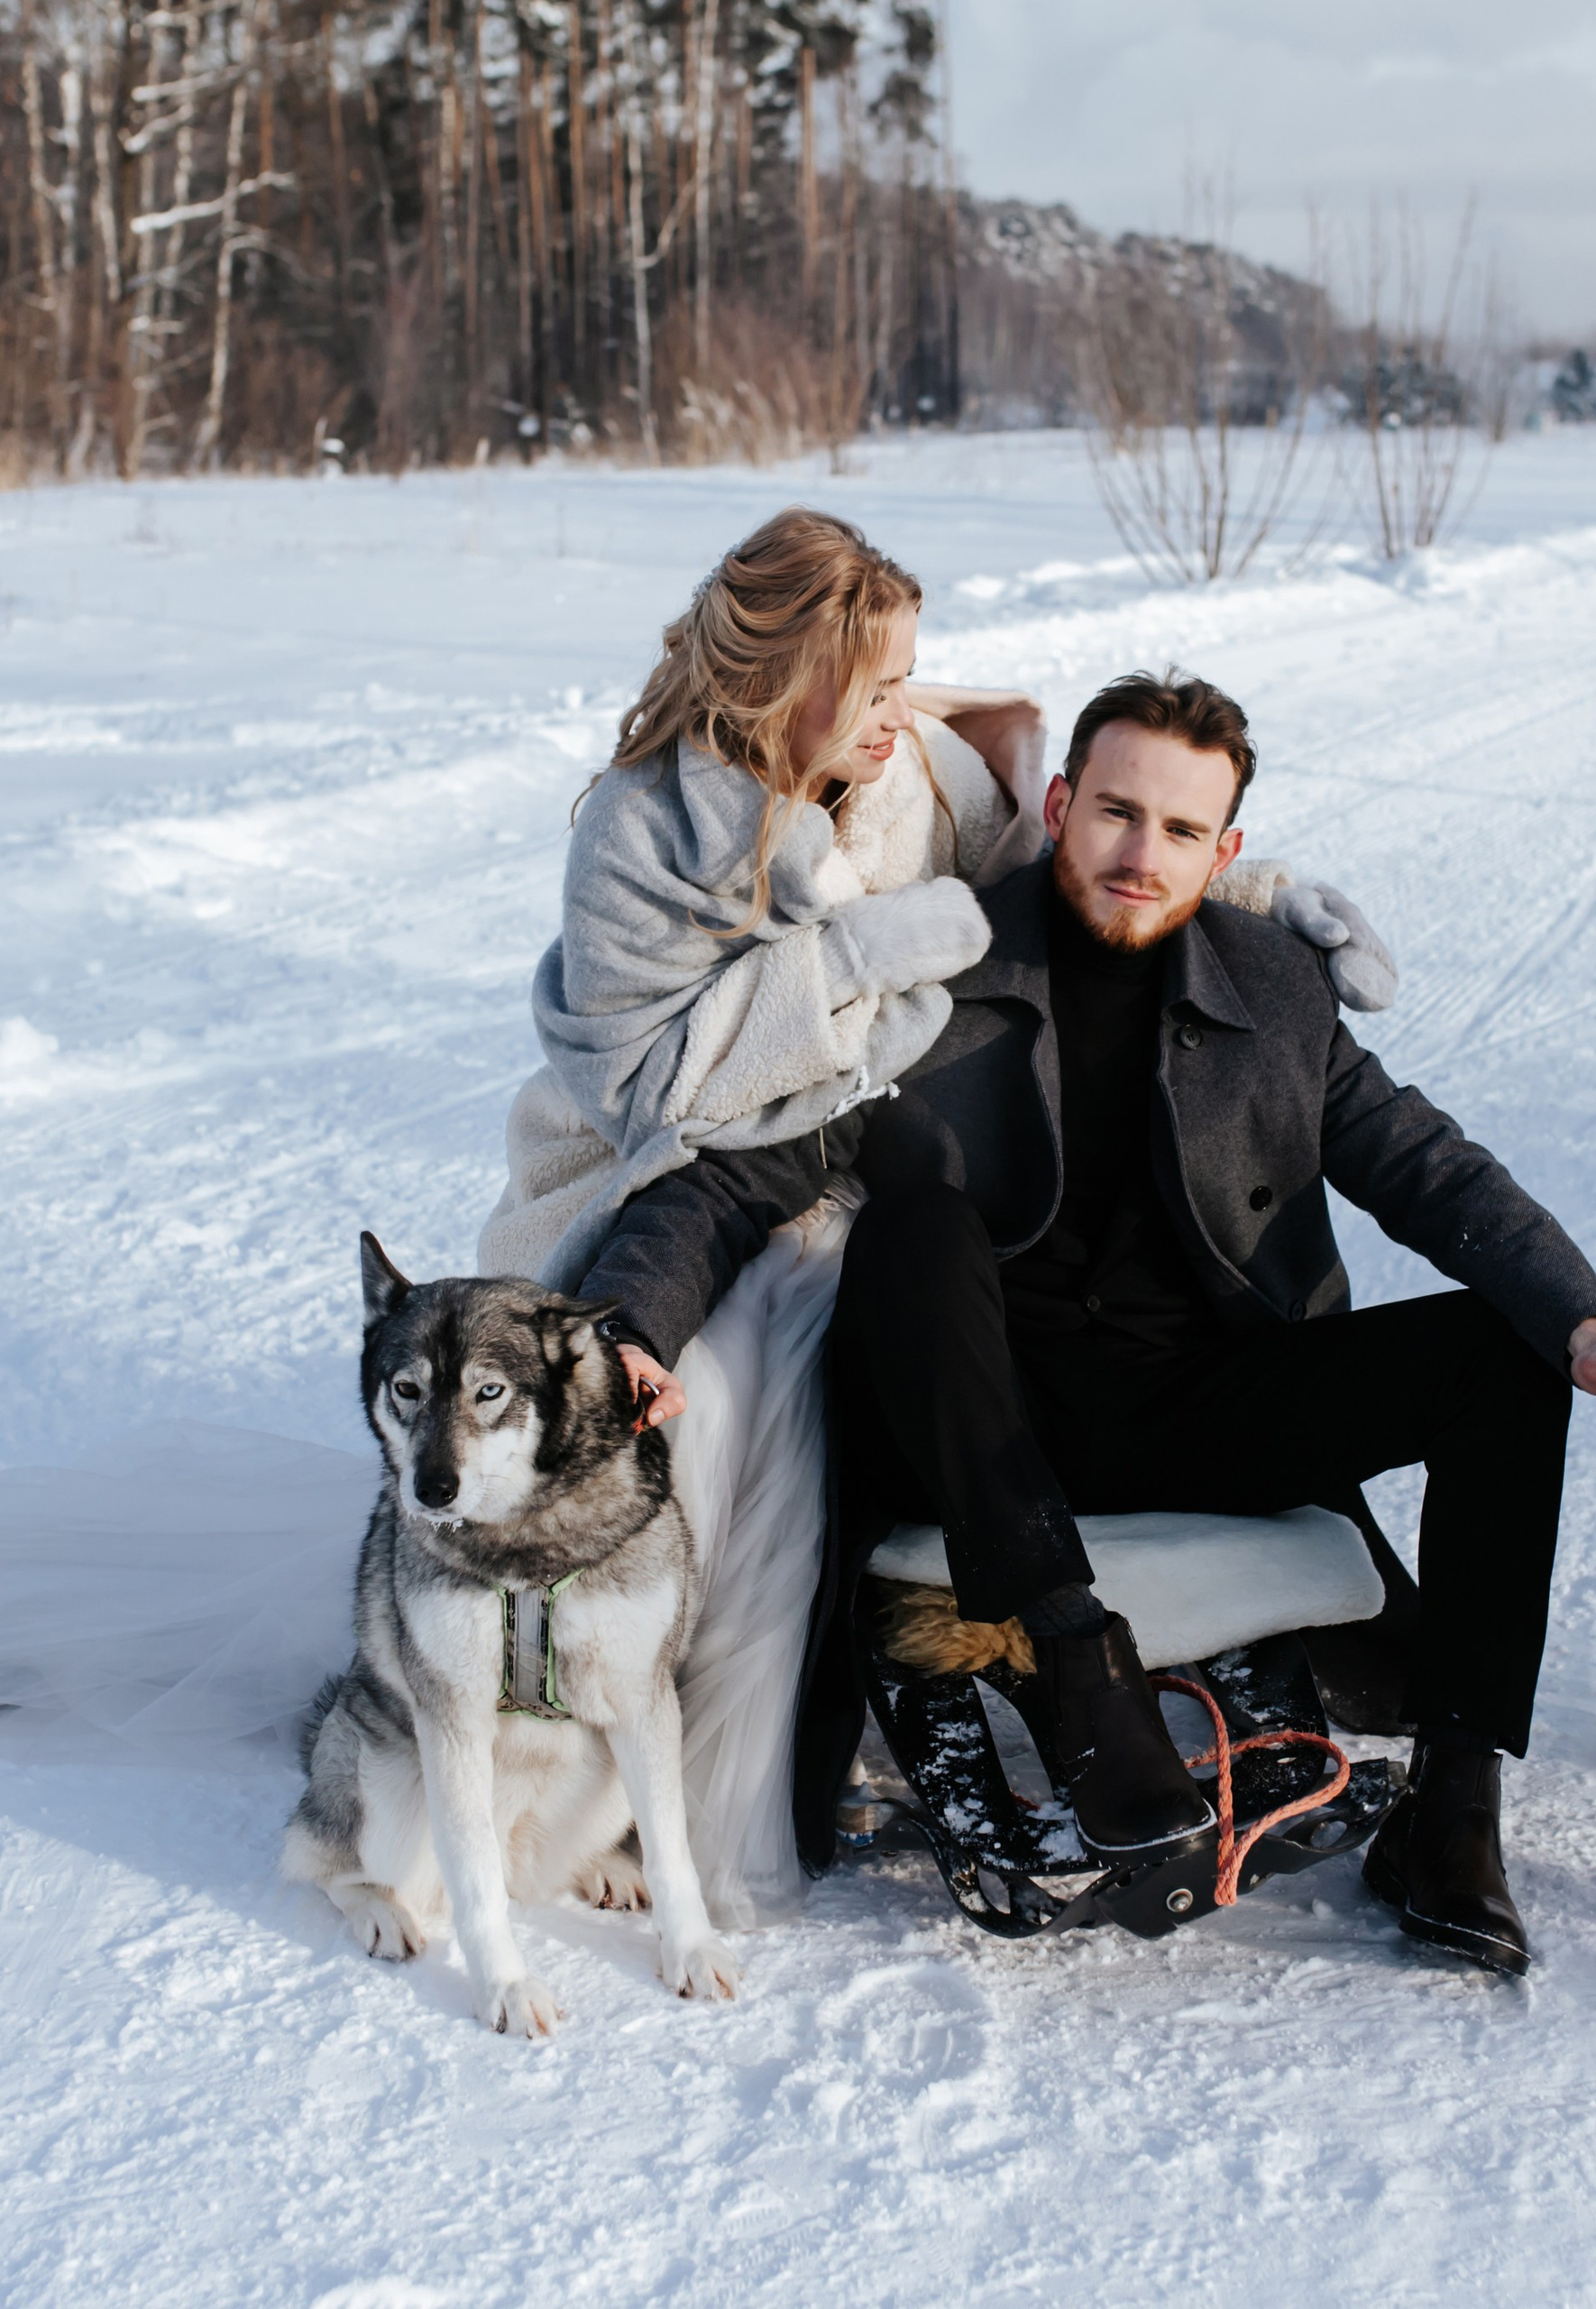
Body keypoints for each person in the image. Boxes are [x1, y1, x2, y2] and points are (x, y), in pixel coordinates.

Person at [479, 509, 1398, 1925]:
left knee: (931, 1325)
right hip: (671, 1170)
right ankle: (620, 1770)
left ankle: (934, 1677)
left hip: (873, 1168)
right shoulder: (643, 826)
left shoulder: (913, 770)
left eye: (912, 678)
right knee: (708, 1405)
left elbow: (1063, 872)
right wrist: (853, 955)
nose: (906, 712)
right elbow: (654, 1086)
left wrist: (1249, 901)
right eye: (881, 683)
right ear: (791, 680)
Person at [757, 669, 1596, 1976]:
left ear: (1225, 851)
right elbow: (751, 1160)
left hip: (1203, 1406)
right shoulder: (935, 962)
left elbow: (1428, 1168)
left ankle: (1454, 1811)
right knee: (912, 1227)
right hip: (989, 1429)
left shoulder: (1276, 988)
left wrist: (1585, 1325)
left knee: (1501, 1354)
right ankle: (1076, 1661)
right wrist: (630, 1319)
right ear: (1060, 805)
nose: (1143, 854)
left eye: (1182, 832)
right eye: (1116, 813)